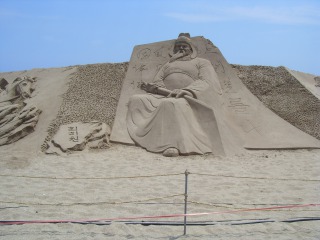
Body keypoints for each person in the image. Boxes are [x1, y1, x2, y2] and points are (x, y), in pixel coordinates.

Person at [126, 33, 223, 157]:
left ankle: (172, 145)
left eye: (184, 46)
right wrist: (156, 89)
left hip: (189, 97)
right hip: (165, 95)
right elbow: (158, 80)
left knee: (170, 104)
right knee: (136, 100)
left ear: (191, 49)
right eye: (178, 47)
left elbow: (206, 81)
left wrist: (188, 90)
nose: (181, 49)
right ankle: (136, 137)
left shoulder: (201, 62)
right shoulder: (168, 64)